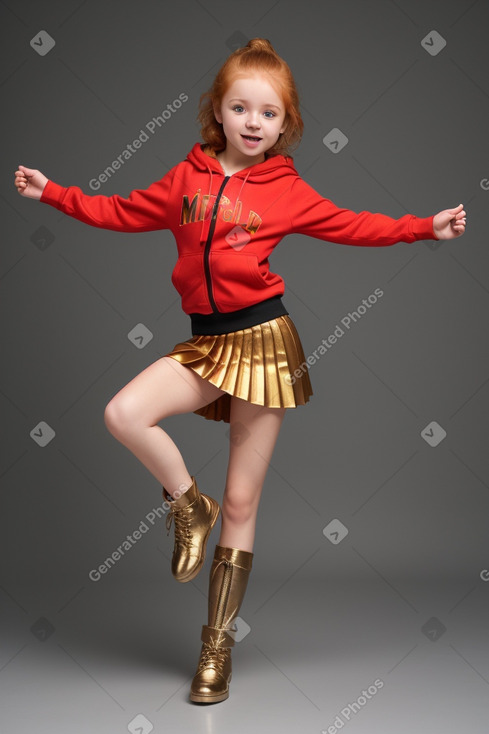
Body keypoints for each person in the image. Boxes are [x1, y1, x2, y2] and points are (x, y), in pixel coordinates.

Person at [14, 37, 466, 705]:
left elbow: (353, 225)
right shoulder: (183, 180)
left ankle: (215, 648)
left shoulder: (285, 190)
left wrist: (423, 227)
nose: (254, 123)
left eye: (269, 114)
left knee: (243, 503)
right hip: (205, 343)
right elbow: (118, 210)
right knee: (123, 413)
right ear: (216, 114)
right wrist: (53, 192)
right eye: (240, 108)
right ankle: (182, 503)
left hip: (264, 343)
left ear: (286, 125)